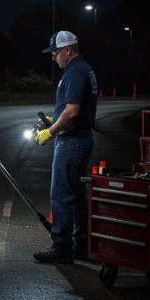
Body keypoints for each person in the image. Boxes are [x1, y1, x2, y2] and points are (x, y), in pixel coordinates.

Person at [33, 31, 98, 263]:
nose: (53, 57)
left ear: (68, 50)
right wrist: (54, 120)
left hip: (72, 141)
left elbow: (72, 111)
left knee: (61, 194)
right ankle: (82, 245)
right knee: (78, 195)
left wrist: (49, 132)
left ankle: (62, 247)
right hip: (79, 138)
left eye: (55, 52)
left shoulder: (75, 72)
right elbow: (71, 112)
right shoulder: (83, 69)